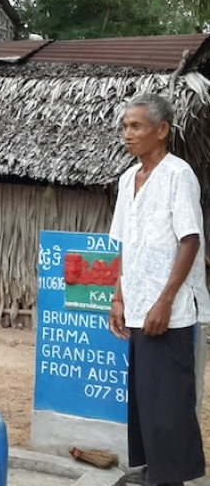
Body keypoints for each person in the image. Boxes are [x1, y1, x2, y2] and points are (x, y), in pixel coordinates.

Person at [108, 93, 208, 485]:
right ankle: (153, 470)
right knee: (146, 397)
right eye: (124, 126)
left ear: (161, 130)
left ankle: (171, 477)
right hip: (136, 304)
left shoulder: (178, 175)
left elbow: (190, 240)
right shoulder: (126, 179)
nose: (127, 134)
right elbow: (125, 245)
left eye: (136, 126)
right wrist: (118, 296)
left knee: (169, 400)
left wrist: (165, 301)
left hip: (170, 309)